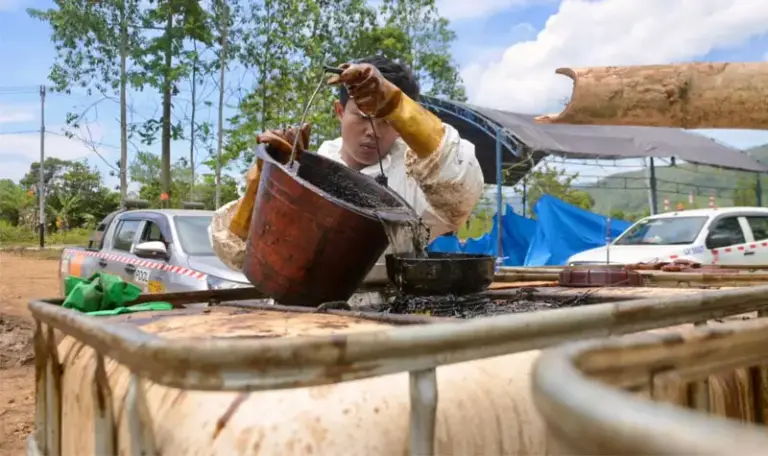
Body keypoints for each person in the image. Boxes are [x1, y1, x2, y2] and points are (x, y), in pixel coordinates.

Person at [210, 55, 485, 271]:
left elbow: (462, 189)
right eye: (363, 116)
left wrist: (399, 106)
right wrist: (265, 180)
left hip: (390, 317)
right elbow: (236, 251)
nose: (373, 131)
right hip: (301, 317)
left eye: (386, 120)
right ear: (339, 111)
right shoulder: (305, 170)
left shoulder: (417, 176)